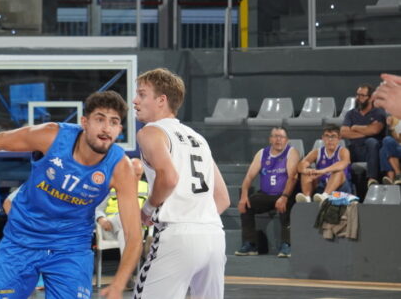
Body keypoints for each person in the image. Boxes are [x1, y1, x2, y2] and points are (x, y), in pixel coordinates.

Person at [0, 91, 142, 299]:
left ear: (120, 130)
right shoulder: (51, 136)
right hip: (22, 239)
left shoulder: (120, 168)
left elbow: (133, 235)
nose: (106, 128)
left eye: (114, 122)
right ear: (84, 122)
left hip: (70, 248)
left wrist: (118, 285)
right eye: (100, 119)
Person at [131, 68, 229, 299]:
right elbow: (223, 198)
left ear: (161, 100)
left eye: (142, 94)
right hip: (213, 235)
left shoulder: (151, 132)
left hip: (177, 234)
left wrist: (146, 210)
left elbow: (169, 178)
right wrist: (196, 217)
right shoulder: (198, 138)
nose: (135, 100)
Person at [235, 126, 299, 258]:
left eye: (281, 137)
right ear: (270, 139)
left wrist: (285, 196)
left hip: (283, 194)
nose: (278, 139)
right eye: (275, 136)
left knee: (286, 207)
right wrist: (243, 196)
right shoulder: (262, 153)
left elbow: (293, 177)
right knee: (246, 205)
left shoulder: (291, 152)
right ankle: (250, 244)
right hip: (266, 194)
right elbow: (248, 177)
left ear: (286, 140)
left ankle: (286, 245)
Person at [95, 158, 148, 256]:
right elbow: (97, 209)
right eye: (132, 173)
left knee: (125, 229)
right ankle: (129, 268)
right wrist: (102, 220)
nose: (135, 178)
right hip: (109, 227)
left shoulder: (146, 188)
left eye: (138, 175)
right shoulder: (114, 185)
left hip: (135, 229)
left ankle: (127, 269)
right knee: (124, 218)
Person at [340, 84, 386, 191]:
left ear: (371, 98)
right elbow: (343, 132)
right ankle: (344, 187)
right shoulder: (350, 114)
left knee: (371, 141)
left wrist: (355, 127)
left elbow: (375, 130)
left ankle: (372, 179)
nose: (358, 98)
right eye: (357, 95)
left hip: (372, 151)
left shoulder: (378, 112)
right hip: (355, 150)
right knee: (343, 150)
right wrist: (367, 130)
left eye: (362, 95)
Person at [296, 124, 351, 203]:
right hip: (322, 186)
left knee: (338, 172)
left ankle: (325, 196)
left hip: (341, 188)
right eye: (327, 136)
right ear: (322, 138)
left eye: (333, 136)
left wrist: (322, 171)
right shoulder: (316, 152)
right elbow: (301, 165)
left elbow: (343, 164)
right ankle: (307, 198)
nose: (330, 139)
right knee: (306, 172)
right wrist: (306, 171)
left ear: (339, 138)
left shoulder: (343, 151)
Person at [378, 115, 401, 185]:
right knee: (383, 149)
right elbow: (393, 137)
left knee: (386, 142)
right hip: (396, 147)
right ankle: (393, 179)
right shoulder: (395, 118)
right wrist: (389, 126)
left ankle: (397, 174)